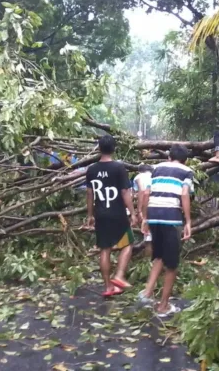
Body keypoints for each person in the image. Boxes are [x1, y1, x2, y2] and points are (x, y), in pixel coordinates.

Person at [138, 144, 193, 317]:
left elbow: (146, 193)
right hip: (170, 217)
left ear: (169, 157)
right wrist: (188, 221)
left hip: (153, 214)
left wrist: (145, 218)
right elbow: (184, 194)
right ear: (185, 160)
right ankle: (163, 306)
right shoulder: (187, 171)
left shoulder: (156, 168)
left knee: (159, 255)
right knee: (172, 265)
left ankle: (147, 293)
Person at [83, 135, 138, 297]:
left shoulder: (91, 169)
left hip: (101, 214)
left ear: (99, 148)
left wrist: (90, 215)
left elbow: (89, 193)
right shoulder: (119, 168)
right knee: (128, 244)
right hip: (117, 214)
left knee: (104, 249)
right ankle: (119, 275)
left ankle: (108, 287)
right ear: (114, 149)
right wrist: (133, 213)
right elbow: (125, 192)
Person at [133, 163, 154, 256]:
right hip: (159, 205)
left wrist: (139, 210)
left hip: (148, 206)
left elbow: (142, 191)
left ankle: (148, 262)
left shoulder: (139, 177)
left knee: (148, 238)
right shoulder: (155, 176)